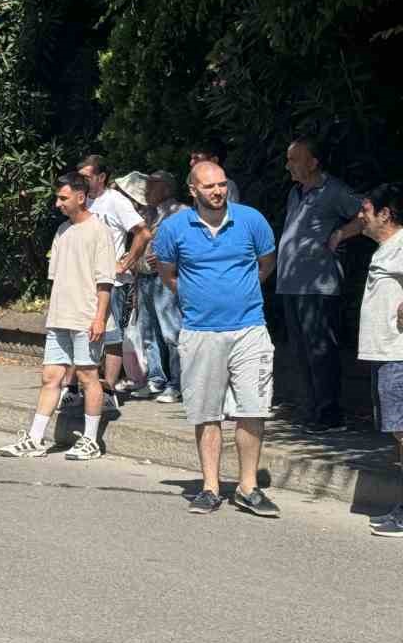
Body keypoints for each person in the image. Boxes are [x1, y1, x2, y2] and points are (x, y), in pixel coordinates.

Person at [151, 161, 280, 518]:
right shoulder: (174, 228)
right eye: (209, 186)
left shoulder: (251, 219)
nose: (217, 191)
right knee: (206, 412)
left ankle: (248, 487)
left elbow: (266, 262)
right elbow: (167, 272)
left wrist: (242, 292)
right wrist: (195, 296)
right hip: (200, 331)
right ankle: (209, 487)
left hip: (249, 328)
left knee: (252, 409)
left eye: (222, 184)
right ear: (193, 190)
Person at [0, 173, 115, 460]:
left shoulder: (99, 231)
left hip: (86, 319)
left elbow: (105, 282)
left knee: (89, 377)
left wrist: (99, 318)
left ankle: (90, 440)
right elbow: (57, 279)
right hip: (60, 318)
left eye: (63, 198)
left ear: (80, 196)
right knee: (50, 376)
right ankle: (35, 437)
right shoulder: (62, 230)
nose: (58, 203)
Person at [277, 136, 364, 430]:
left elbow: (366, 214)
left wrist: (340, 234)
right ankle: (311, 409)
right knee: (300, 352)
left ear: (313, 163)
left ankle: (330, 414)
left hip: (317, 285)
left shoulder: (333, 190)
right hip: (291, 284)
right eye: (288, 159)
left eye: (295, 159)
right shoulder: (295, 193)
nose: (288, 165)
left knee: (320, 350)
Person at [78, 154, 151, 395]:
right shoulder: (81, 200)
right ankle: (82, 386)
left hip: (113, 282)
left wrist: (127, 261)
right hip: (83, 280)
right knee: (81, 331)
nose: (82, 181)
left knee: (111, 335)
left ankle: (108, 389)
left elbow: (143, 233)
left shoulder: (115, 201)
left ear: (101, 177)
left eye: (86, 177)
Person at [356, 184, 403, 536]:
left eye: (367, 209)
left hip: (397, 356)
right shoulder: (388, 249)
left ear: (385, 213)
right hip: (385, 355)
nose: (361, 216)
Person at [139, 171, 186, 403]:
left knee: (171, 331)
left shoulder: (181, 212)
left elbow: (190, 244)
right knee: (147, 333)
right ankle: (155, 379)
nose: (146, 190)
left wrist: (169, 258)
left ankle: (177, 384)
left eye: (152, 186)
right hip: (145, 278)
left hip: (165, 279)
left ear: (166, 189)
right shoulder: (147, 213)